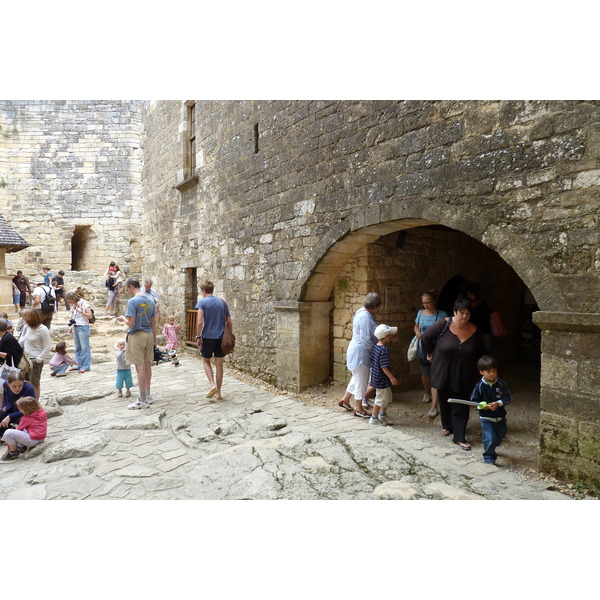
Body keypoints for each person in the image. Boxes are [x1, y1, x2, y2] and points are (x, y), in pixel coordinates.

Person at [421, 297, 485, 451]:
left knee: (461, 403)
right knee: (445, 398)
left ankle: (460, 436)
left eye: (467, 313)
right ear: (455, 312)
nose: (465, 316)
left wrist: (483, 370)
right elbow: (426, 337)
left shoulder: (475, 330)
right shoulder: (444, 324)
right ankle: (448, 426)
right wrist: (429, 353)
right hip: (443, 369)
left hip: (464, 373)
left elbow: (481, 352)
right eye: (461, 312)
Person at [338, 292, 381, 418]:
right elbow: (366, 338)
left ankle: (345, 400)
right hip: (361, 351)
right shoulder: (365, 317)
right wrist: (372, 351)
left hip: (358, 349)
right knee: (362, 381)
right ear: (376, 306)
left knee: (357, 377)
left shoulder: (362, 312)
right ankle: (358, 408)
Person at [116, 277, 156, 409]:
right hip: (149, 335)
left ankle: (142, 399)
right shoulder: (151, 301)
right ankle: (148, 395)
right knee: (147, 365)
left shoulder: (133, 301)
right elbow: (154, 323)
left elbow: (131, 323)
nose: (128, 292)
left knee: (140, 367)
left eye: (128, 290)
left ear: (131, 287)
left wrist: (123, 319)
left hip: (137, 335)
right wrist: (155, 341)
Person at [470, 355, 512, 465]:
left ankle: (493, 445)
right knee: (489, 438)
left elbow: (508, 398)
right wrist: (482, 405)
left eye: (494, 370)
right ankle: (489, 457)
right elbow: (474, 401)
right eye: (488, 371)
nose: (492, 374)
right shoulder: (479, 386)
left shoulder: (502, 384)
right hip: (486, 418)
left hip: (500, 417)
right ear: (481, 372)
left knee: (500, 435)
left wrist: (499, 403)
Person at [195, 280, 232, 401]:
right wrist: (229, 335)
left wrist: (198, 336)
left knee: (206, 361)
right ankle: (219, 393)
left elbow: (200, 321)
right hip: (221, 338)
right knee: (219, 364)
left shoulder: (202, 302)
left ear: (203, 291)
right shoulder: (222, 302)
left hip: (208, 337)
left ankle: (212, 385)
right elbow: (229, 321)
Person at [414, 290, 448, 418]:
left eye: (428, 302)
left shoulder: (442, 314)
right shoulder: (420, 313)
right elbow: (416, 325)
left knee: (436, 374)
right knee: (425, 372)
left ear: (434, 302)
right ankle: (426, 392)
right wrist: (417, 332)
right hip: (423, 346)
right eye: (423, 303)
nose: (425, 305)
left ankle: (434, 405)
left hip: (437, 348)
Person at [17, 309, 52, 400]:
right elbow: (21, 341)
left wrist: (39, 359)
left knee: (34, 384)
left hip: (35, 359)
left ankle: (35, 403)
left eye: (24, 317)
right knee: (24, 382)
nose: (23, 318)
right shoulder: (26, 327)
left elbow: (48, 346)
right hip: (25, 359)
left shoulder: (43, 329)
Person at [368, 324, 399, 426]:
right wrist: (392, 377)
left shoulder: (376, 347)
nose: (391, 337)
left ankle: (383, 414)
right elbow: (383, 366)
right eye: (390, 335)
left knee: (386, 396)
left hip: (378, 377)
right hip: (382, 379)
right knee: (380, 399)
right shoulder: (384, 350)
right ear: (385, 337)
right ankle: (374, 418)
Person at [0, 396, 47, 461]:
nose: (19, 411)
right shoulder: (42, 412)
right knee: (24, 430)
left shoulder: (26, 418)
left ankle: (12, 452)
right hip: (41, 437)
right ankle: (21, 446)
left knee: (8, 433)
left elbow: (19, 430)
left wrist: (9, 446)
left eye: (20, 409)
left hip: (33, 439)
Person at [0, 372, 35, 441]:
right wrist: (4, 406)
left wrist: (10, 417)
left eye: (20, 385)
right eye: (14, 386)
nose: (17, 389)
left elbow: (30, 409)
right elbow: (5, 397)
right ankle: (4, 435)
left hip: (24, 412)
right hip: (10, 408)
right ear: (8, 384)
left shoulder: (29, 389)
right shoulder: (5, 385)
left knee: (23, 420)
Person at [66, 292, 93, 373]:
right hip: (76, 326)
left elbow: (90, 315)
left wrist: (81, 311)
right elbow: (75, 317)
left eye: (70, 301)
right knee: (78, 347)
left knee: (84, 347)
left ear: (74, 298)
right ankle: (78, 364)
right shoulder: (75, 305)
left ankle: (85, 366)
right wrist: (71, 327)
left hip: (83, 327)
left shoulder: (84, 304)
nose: (70, 303)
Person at [466, 284, 492, 352]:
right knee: (486, 354)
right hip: (486, 331)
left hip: (475, 333)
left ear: (469, 293)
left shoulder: (470, 307)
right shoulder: (485, 304)